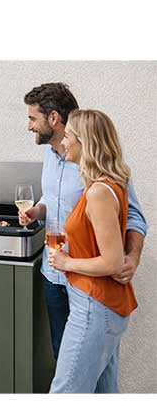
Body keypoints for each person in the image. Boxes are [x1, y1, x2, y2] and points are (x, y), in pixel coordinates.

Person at [20, 83, 146, 360]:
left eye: (32, 118)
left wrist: (132, 258)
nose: (29, 126)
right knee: (63, 356)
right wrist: (38, 211)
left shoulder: (96, 162)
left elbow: (133, 215)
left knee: (91, 362)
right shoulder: (49, 155)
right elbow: (52, 199)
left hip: (89, 279)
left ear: (53, 118)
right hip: (54, 274)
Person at [47, 109, 137, 392]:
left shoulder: (98, 192)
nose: (63, 142)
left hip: (93, 306)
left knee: (65, 392)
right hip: (102, 305)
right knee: (103, 392)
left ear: (84, 142)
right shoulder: (108, 184)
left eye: (68, 136)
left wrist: (67, 262)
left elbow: (112, 262)